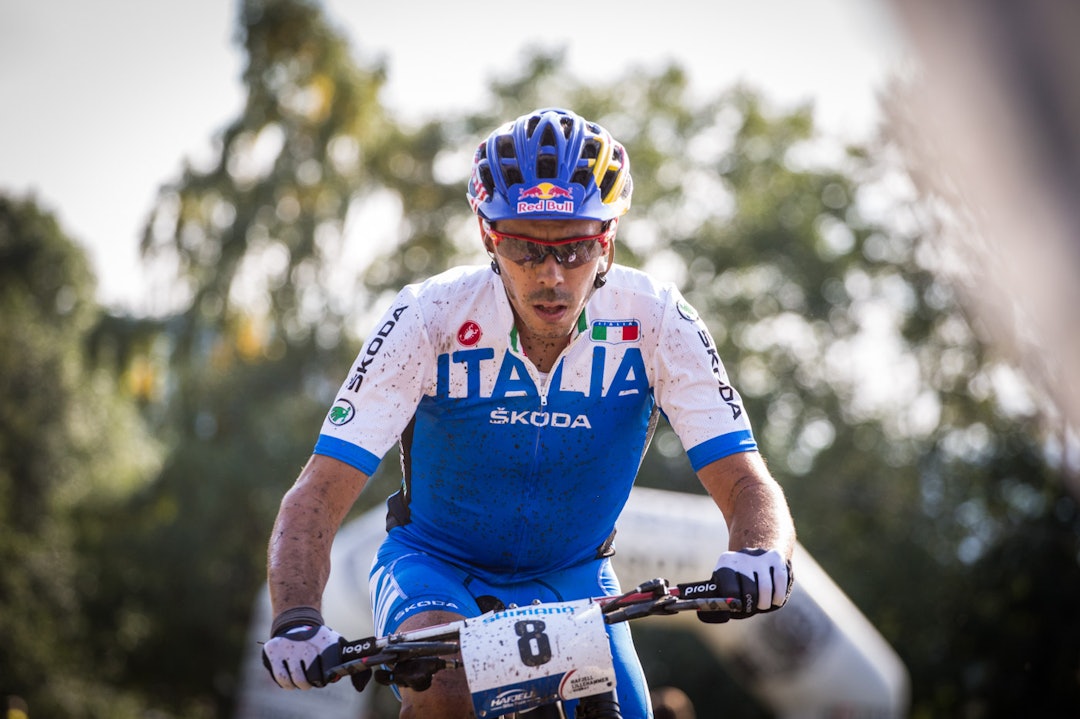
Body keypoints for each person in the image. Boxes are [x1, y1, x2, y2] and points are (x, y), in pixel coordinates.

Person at [261, 107, 796, 718]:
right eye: (523, 246)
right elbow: (318, 491)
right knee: (446, 683)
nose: (550, 274)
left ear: (608, 242)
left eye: (574, 249)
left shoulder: (657, 320)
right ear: (489, 237)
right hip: (435, 566)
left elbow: (746, 478)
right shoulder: (428, 315)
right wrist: (298, 617)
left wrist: (758, 551)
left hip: (575, 578)